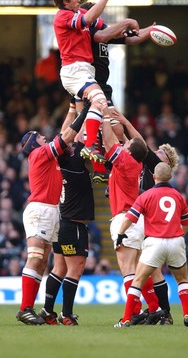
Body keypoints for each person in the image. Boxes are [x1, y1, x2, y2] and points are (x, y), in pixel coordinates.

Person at [16, 102, 89, 325]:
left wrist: (71, 108)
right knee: (36, 258)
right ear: (32, 143)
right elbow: (66, 137)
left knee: (42, 261)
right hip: (40, 209)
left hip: (49, 211)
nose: (44, 137)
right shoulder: (39, 154)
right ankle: (24, 308)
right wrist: (85, 111)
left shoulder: (47, 157)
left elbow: (63, 134)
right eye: (38, 136)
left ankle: (31, 308)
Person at [52, 0, 139, 164]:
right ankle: (89, 145)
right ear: (65, 1)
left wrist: (126, 31)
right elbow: (87, 21)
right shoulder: (62, 16)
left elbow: (105, 30)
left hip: (85, 71)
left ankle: (95, 157)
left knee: (99, 108)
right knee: (99, 101)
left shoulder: (80, 13)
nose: (78, 0)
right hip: (74, 70)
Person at [112, 109, 179, 324]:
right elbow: (133, 144)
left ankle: (156, 311)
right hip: (143, 220)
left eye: (160, 152)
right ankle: (157, 310)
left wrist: (124, 121)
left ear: (167, 162)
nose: (155, 152)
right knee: (149, 268)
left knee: (150, 269)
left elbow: (138, 141)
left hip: (148, 222)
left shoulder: (153, 167)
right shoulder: (146, 166)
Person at [80, 0, 157, 183]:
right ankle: (103, 165)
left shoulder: (103, 30)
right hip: (92, 84)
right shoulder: (88, 32)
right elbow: (105, 35)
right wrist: (127, 21)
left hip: (103, 85)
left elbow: (132, 38)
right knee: (112, 127)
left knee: (112, 127)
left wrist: (151, 30)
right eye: (97, 14)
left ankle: (106, 165)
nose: (100, 18)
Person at [114, 162, 188, 328]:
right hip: (176, 241)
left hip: (154, 242)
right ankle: (187, 315)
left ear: (154, 177)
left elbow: (130, 217)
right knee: (182, 280)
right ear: (171, 177)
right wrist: (179, 233)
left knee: (137, 281)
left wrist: (120, 234)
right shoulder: (178, 196)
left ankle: (127, 319)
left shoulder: (146, 195)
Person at [101, 103, 162, 325]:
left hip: (125, 218)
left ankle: (134, 312)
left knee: (128, 270)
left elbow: (108, 143)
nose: (123, 143)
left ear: (127, 150)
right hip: (136, 220)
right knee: (136, 268)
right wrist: (125, 123)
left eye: (126, 144)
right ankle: (154, 308)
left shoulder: (126, 161)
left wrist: (104, 117)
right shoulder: (136, 161)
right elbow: (139, 145)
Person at [38, 107, 95, 326]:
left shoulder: (62, 164)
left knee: (59, 268)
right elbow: (72, 134)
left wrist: (73, 107)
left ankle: (47, 309)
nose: (71, 143)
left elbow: (68, 135)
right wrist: (84, 110)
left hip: (63, 223)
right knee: (75, 268)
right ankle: (66, 313)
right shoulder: (74, 163)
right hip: (74, 225)